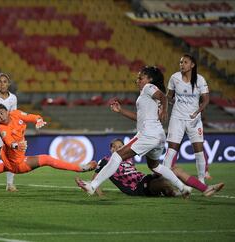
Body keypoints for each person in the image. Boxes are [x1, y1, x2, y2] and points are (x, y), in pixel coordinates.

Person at [76, 66, 193, 197]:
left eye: (140, 78)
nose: (137, 81)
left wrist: (165, 110)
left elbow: (163, 97)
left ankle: (92, 186)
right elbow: (140, 117)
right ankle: (183, 187)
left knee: (117, 156)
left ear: (150, 79)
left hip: (148, 133)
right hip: (159, 135)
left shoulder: (149, 87)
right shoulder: (148, 96)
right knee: (155, 166)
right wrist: (121, 111)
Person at [0, 104, 97, 186]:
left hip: (8, 159)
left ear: (7, 111)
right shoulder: (2, 127)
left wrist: (38, 120)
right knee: (46, 159)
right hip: (17, 163)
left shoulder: (16, 114)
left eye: (1, 113)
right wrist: (16, 146)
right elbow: (8, 141)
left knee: (5, 167)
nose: (0, 117)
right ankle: (81, 168)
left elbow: (32, 116)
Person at [92, 139, 224, 197]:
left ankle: (205, 189)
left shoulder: (128, 158)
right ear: (110, 149)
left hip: (145, 179)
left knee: (175, 170)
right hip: (137, 188)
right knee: (164, 183)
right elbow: (95, 178)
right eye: (114, 147)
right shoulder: (106, 161)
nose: (118, 148)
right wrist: (100, 194)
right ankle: (176, 192)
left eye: (120, 146)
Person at [163, 54, 212, 183]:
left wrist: (197, 112)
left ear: (192, 65)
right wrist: (166, 104)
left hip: (194, 120)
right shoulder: (174, 78)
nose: (181, 65)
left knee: (198, 150)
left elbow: (206, 100)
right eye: (180, 62)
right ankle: (165, 179)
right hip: (177, 118)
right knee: (172, 148)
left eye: (185, 62)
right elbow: (169, 96)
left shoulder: (200, 80)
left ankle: (201, 180)